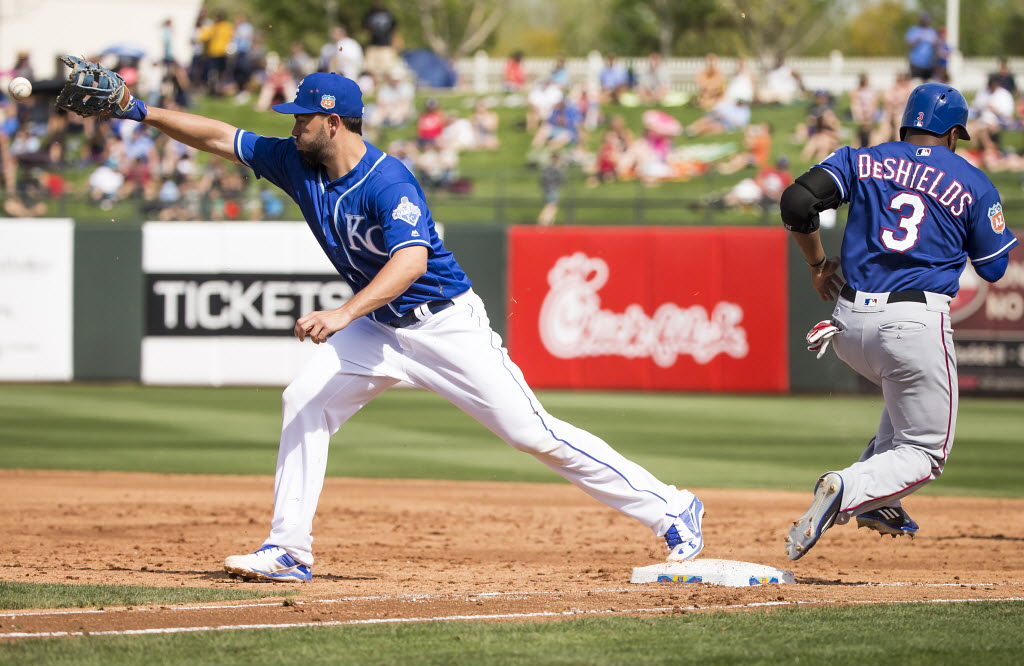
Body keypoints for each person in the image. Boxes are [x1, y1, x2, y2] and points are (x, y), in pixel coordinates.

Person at [57, 68, 707, 581]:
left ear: (331, 122)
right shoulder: (297, 163)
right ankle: (288, 550)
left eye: (302, 116)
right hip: (379, 330)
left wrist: (343, 313)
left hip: (440, 324)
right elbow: (217, 136)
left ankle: (671, 507)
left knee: (530, 434)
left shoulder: (386, 178)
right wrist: (136, 109)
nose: (293, 125)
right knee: (303, 401)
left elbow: (410, 259)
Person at [778, 83, 1017, 561]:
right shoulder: (971, 181)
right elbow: (994, 267)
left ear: (907, 123)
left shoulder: (861, 160)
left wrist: (817, 264)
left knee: (901, 421)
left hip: (848, 321)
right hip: (913, 323)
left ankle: (877, 502)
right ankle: (848, 488)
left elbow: (796, 204)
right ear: (952, 134)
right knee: (926, 451)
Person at [904, 12, 938, 81]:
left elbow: (936, 44)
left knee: (927, 83)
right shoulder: (914, 30)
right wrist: (918, 40)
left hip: (929, 63)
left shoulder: (932, 31)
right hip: (916, 62)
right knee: (915, 81)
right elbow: (909, 43)